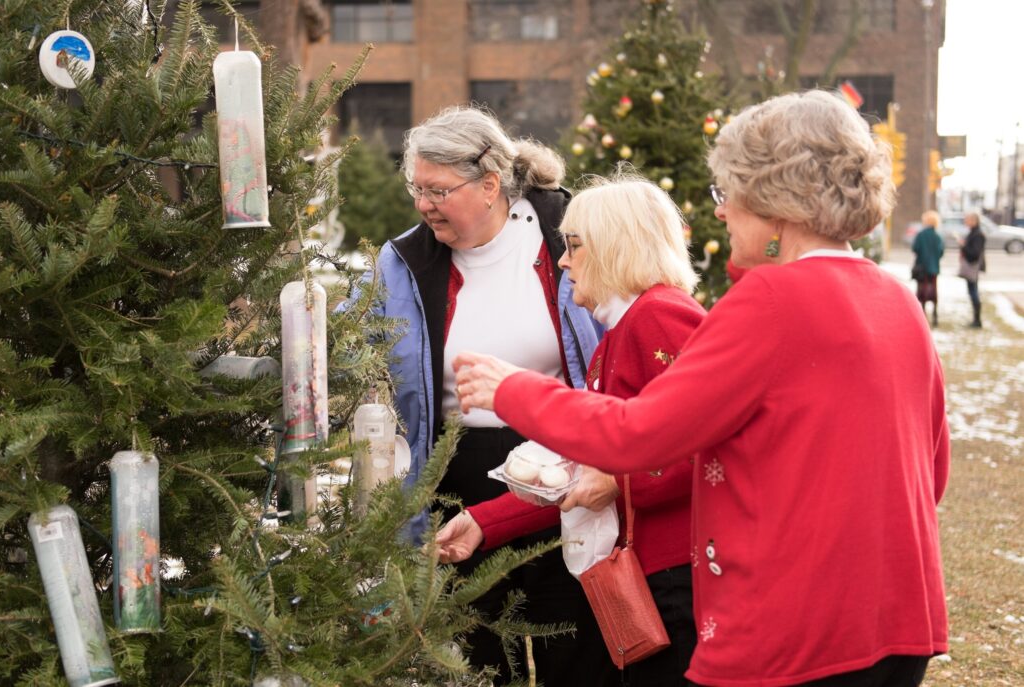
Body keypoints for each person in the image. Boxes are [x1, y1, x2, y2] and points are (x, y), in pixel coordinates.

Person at [452, 91, 950, 687]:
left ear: (776, 203)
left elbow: (639, 434)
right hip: (894, 620)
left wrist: (510, 388)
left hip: (792, 630)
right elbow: (933, 469)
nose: (720, 213)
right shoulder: (893, 298)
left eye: (728, 194)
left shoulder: (770, 301)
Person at [367, 105, 610, 686]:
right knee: (474, 659)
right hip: (456, 469)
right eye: (415, 188)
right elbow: (358, 350)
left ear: (490, 185)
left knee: (571, 644)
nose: (423, 204)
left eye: (437, 190)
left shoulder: (565, 234)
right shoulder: (402, 260)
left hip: (562, 463)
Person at [436, 173, 707, 686]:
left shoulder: (660, 316)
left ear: (615, 246)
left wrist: (615, 480)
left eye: (575, 246)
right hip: (652, 579)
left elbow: (703, 444)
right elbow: (582, 470)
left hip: (675, 579)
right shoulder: (622, 332)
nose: (563, 261)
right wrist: (482, 523)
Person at [912, 210, 945, 327]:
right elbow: (941, 252)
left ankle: (923, 313)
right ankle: (935, 312)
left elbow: (915, 248)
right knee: (934, 290)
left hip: (922, 267)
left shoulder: (921, 235)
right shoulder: (938, 236)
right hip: (934, 267)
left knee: (921, 290)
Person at [959, 212, 986, 328]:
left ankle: (977, 320)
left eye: (967, 219)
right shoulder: (973, 233)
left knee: (974, 292)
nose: (965, 221)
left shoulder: (978, 234)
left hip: (973, 267)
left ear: (974, 221)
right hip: (971, 266)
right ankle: (976, 319)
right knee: (972, 292)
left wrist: (963, 246)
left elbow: (974, 253)